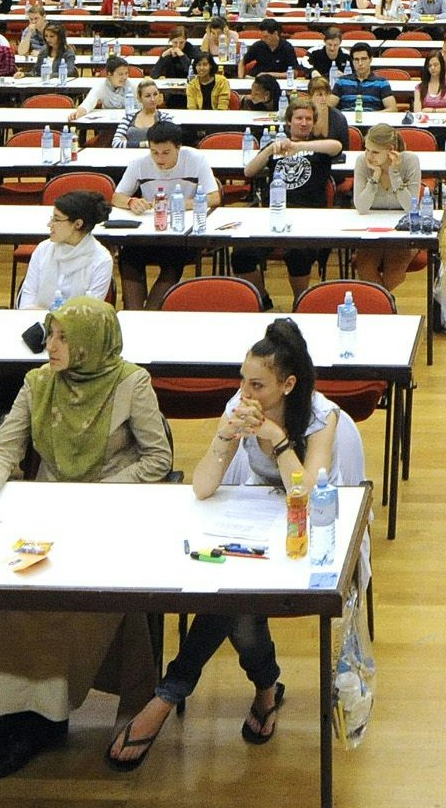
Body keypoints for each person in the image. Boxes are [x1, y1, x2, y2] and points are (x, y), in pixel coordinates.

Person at [107, 319, 359, 770]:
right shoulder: (238, 408)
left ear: (287, 385)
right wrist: (225, 436)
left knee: (234, 605)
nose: (245, 392)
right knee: (237, 605)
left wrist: (278, 441)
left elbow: (306, 494)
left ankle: (170, 693)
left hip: (312, 532)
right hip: (253, 525)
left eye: (257, 385)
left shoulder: (322, 418)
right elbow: (203, 486)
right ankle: (263, 688)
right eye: (242, 380)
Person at [0, 296, 172, 775]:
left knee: (71, 599)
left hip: (109, 515)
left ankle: (41, 718)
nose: (50, 346)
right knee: (13, 587)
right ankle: (19, 717)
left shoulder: (131, 383)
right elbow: (5, 446)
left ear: (92, 344)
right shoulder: (38, 383)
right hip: (47, 513)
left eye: (63, 338)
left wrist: (99, 491)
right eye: (50, 335)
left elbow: (158, 459)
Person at [239, 99, 343, 299]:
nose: (304, 123)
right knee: (241, 255)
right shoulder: (277, 146)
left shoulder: (319, 146)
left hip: (310, 215)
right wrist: (270, 149)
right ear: (288, 121)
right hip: (274, 214)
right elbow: (249, 171)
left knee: (298, 254)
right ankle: (261, 298)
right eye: (299, 118)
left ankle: (300, 301)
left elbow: (336, 146)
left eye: (308, 119)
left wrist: (298, 146)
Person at [112, 118, 211, 303]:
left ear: (178, 148)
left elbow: (214, 197)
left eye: (166, 153)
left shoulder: (197, 159)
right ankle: (134, 313)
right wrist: (131, 202)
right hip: (148, 231)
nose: (159, 159)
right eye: (154, 152)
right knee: (128, 257)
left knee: (173, 260)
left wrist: (179, 204)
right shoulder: (139, 163)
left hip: (181, 234)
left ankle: (152, 312)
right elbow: (117, 197)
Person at [349, 123, 425, 292]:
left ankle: (380, 303)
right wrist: (375, 176)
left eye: (375, 152)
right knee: (365, 266)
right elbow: (361, 207)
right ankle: (385, 304)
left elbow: (410, 208)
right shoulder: (362, 162)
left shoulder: (410, 161)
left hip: (402, 230)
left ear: (390, 150)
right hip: (370, 229)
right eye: (367, 149)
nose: (369, 156)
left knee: (395, 270)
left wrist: (394, 174)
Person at [12, 188, 115, 311]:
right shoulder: (43, 249)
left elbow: (90, 312)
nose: (49, 224)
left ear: (78, 224)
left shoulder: (102, 260)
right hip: (37, 320)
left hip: (77, 323)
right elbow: (28, 296)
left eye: (56, 219)